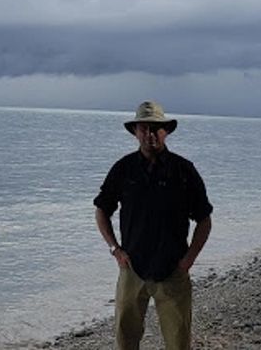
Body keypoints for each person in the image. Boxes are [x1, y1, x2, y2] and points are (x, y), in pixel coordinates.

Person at [94, 100, 213, 350]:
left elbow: (204, 219)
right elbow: (102, 210)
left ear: (166, 131)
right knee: (125, 340)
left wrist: (189, 259)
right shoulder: (123, 169)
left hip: (173, 270)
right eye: (144, 128)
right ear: (135, 132)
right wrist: (115, 249)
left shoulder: (183, 170)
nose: (150, 135)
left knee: (178, 342)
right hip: (131, 268)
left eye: (156, 128)